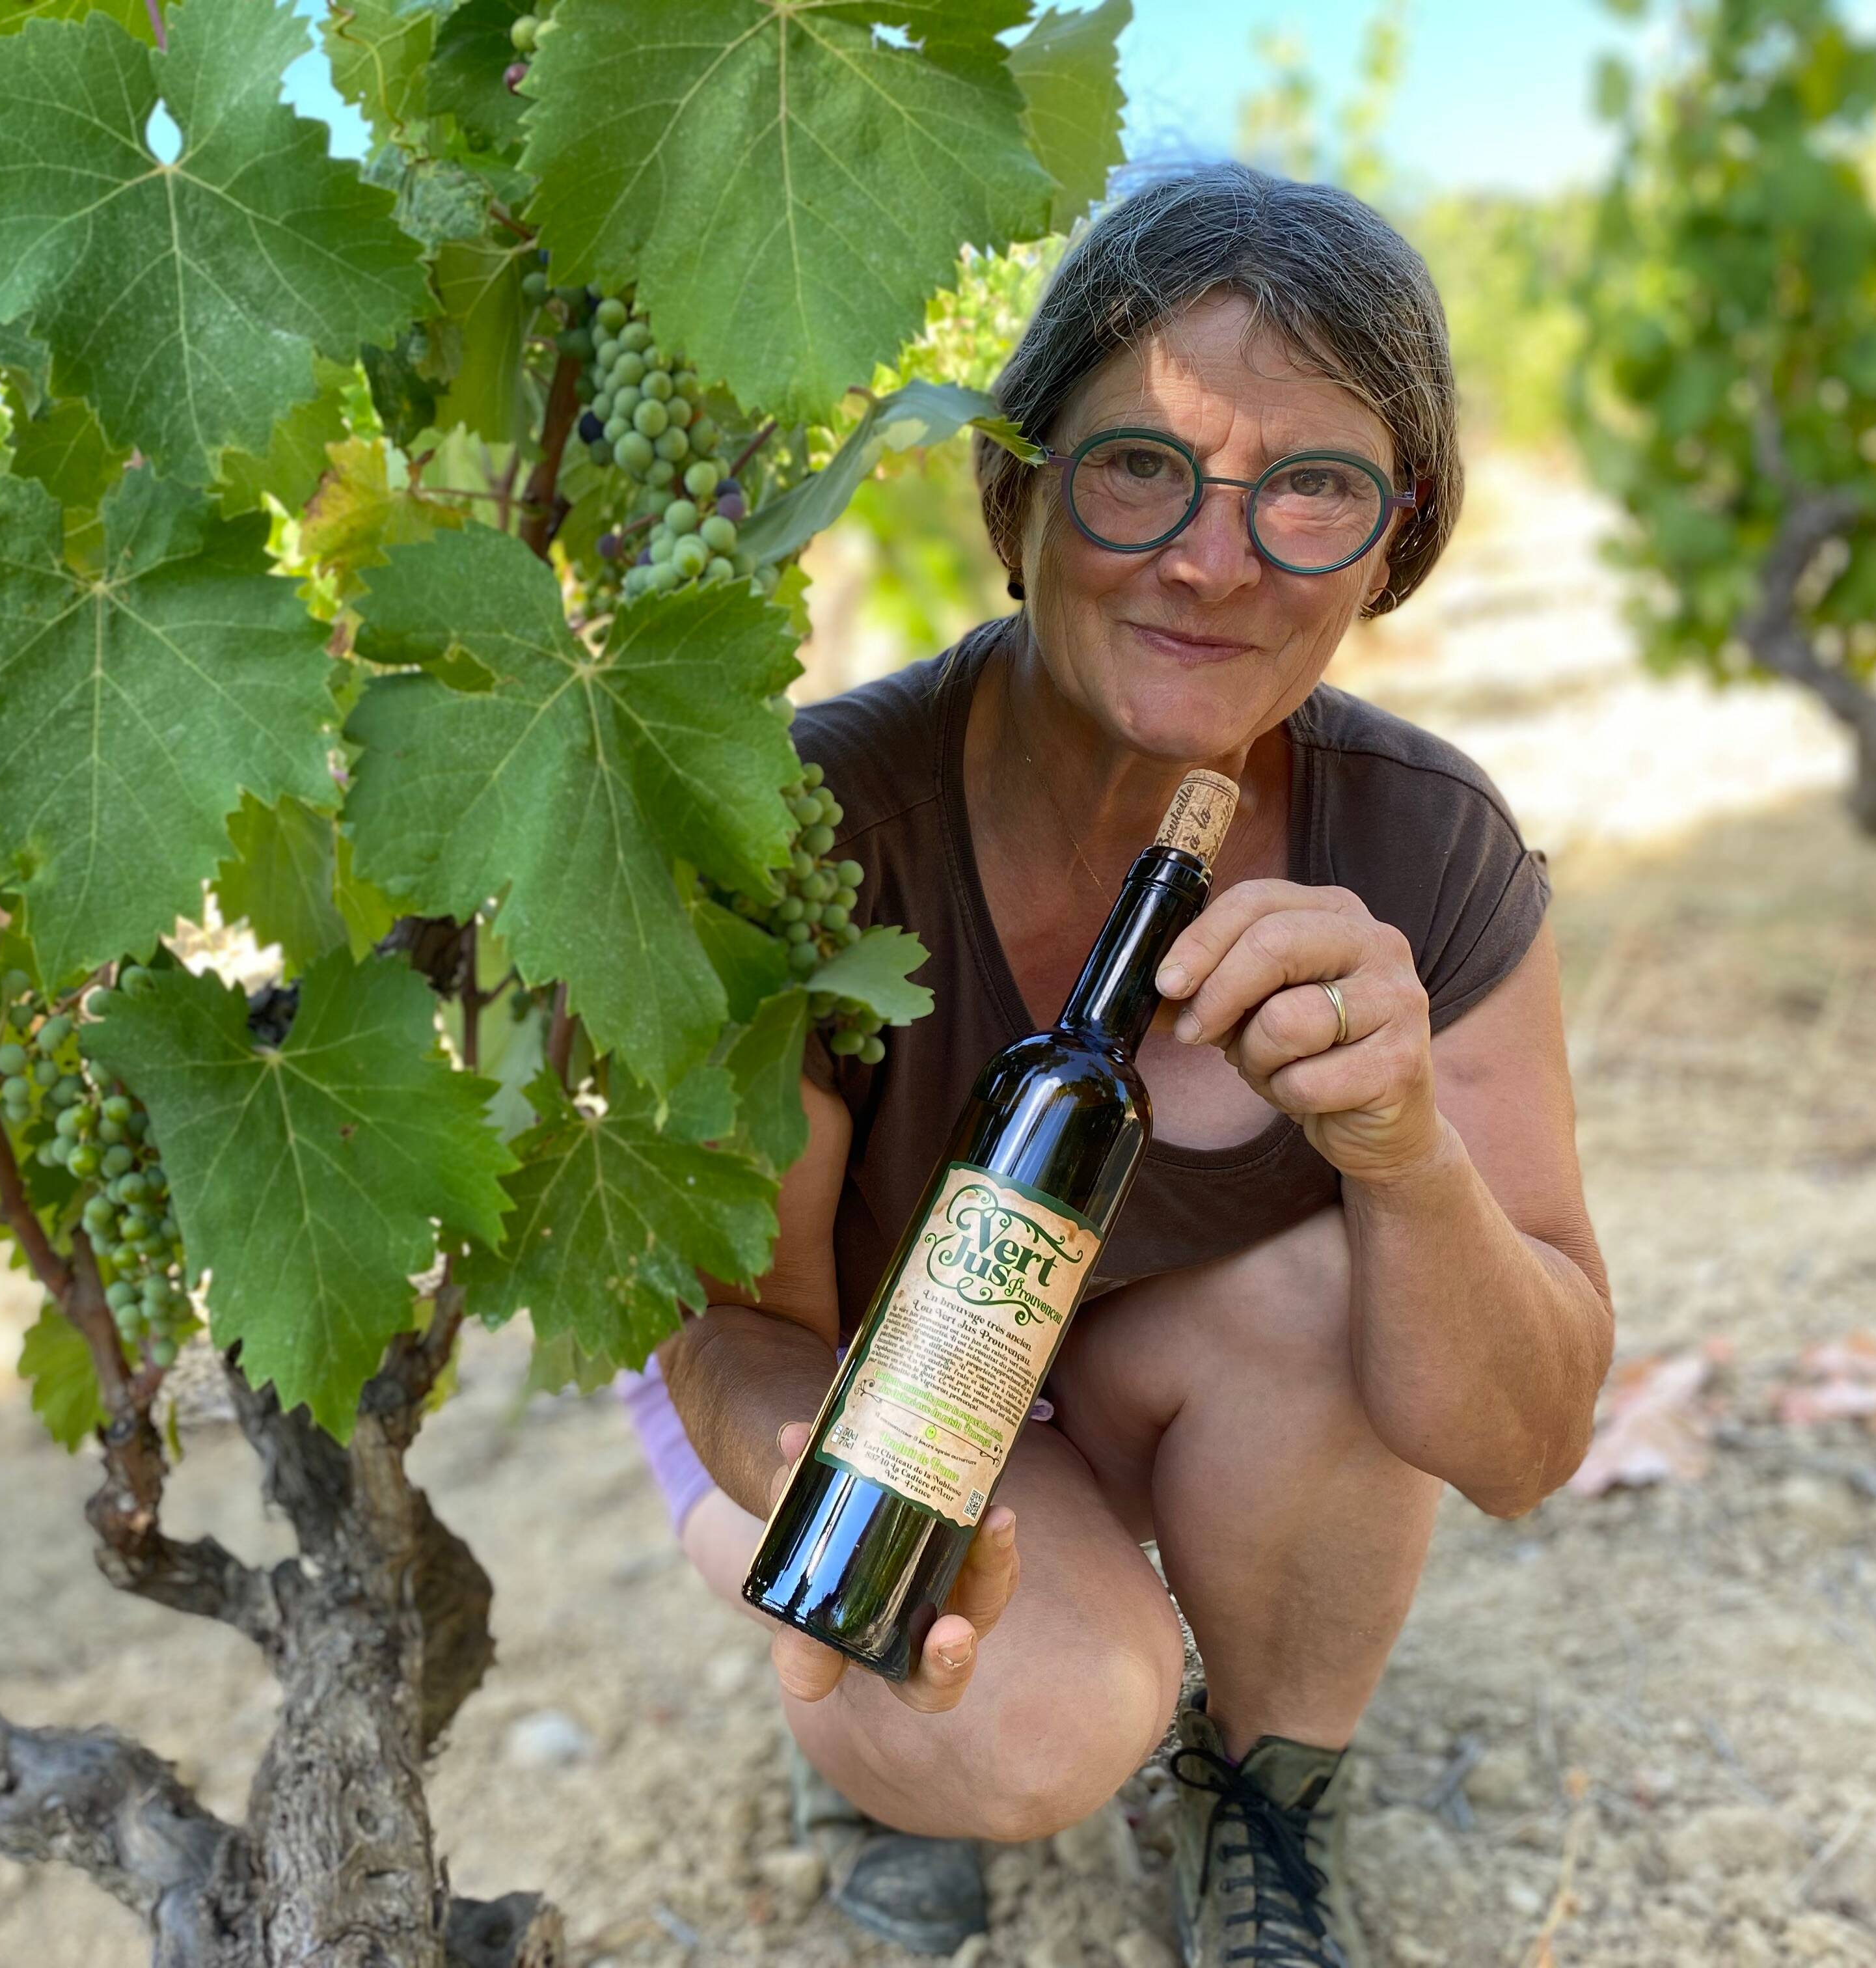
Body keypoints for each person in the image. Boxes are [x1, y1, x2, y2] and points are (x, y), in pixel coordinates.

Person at [627, 162, 1614, 1967]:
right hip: (851, 1384)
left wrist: (1404, 1155)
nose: (1215, 560)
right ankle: (855, 1741)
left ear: (1393, 546)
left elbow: (1525, 1443)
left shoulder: (1427, 850)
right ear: (1015, 492)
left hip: (1158, 1358)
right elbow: (739, 1318)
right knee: (1047, 1706)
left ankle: (1261, 1796)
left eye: (1313, 489)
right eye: (1143, 467)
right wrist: (843, 1514)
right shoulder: (816, 823)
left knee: (1348, 1286)